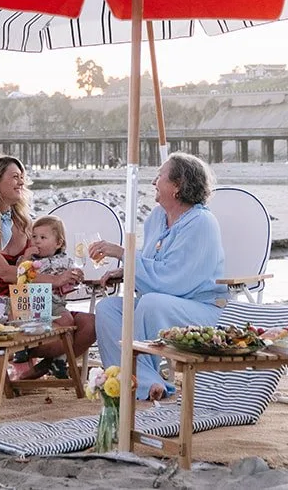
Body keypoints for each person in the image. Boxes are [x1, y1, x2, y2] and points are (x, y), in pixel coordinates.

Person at [89, 151, 227, 401]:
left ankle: (142, 379)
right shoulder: (156, 219)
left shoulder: (201, 223)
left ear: (177, 186)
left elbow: (174, 281)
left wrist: (124, 254)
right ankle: (144, 382)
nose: (154, 182)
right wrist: (125, 270)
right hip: (159, 302)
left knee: (151, 302)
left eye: (159, 176)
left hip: (199, 308)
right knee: (108, 307)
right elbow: (153, 262)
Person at [0, 153, 95, 379]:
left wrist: (68, 273)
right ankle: (10, 357)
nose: (21, 182)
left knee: (91, 325)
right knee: (63, 331)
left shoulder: (24, 223)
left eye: (22, 177)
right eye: (14, 177)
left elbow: (46, 260)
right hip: (2, 309)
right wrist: (56, 280)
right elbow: (6, 273)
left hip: (37, 302)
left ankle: (33, 371)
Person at [5, 215, 96, 380]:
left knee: (67, 319)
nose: (37, 241)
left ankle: (57, 360)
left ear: (58, 243)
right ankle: (22, 348)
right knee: (18, 317)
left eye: (42, 238)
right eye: (34, 237)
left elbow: (74, 276)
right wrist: (26, 256)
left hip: (54, 303)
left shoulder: (65, 260)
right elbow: (18, 274)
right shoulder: (29, 261)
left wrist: (76, 276)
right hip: (32, 302)